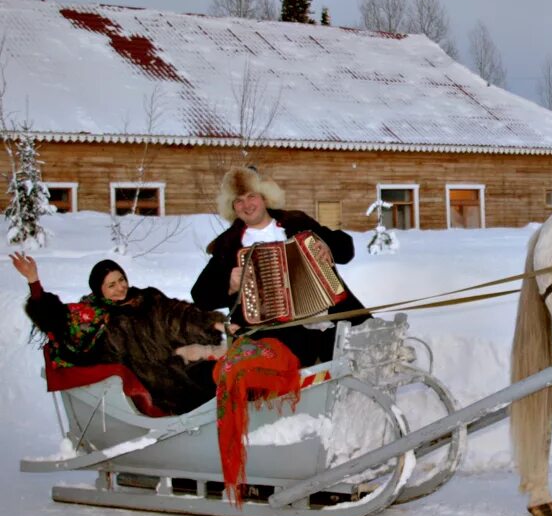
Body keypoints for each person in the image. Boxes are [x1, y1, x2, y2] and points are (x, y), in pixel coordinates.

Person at [191, 166, 370, 367]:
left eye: (252, 196)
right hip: (277, 333)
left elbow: (346, 249)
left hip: (332, 315)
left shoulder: (296, 222)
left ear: (265, 197)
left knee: (366, 351)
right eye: (238, 201)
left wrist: (328, 245)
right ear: (232, 207)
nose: (247, 205)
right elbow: (200, 296)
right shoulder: (228, 244)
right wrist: (230, 284)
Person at [11, 253, 233, 415]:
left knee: (221, 376)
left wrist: (213, 324)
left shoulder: (147, 299)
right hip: (151, 380)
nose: (120, 288)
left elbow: (177, 314)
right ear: (100, 290)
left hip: (178, 364)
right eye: (111, 286)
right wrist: (34, 282)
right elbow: (55, 317)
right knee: (196, 397)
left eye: (121, 280)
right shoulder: (96, 316)